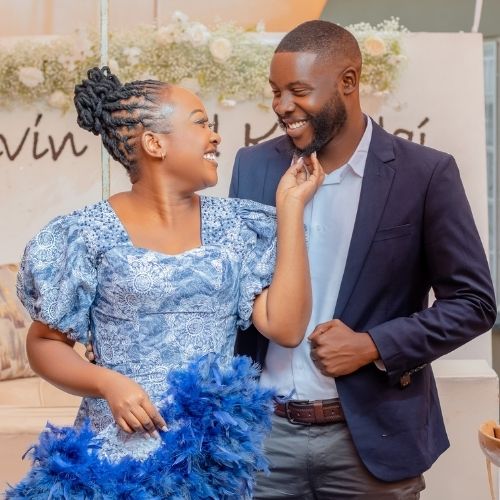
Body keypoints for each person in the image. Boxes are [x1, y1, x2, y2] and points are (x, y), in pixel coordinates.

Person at [7, 67, 324, 499]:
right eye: (200, 123)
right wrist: (107, 383)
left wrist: (290, 208)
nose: (215, 137)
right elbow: (44, 343)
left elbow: (286, 328)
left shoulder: (237, 226)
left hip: (208, 459)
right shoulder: (84, 234)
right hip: (113, 461)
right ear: (154, 143)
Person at [229, 20, 497, 499]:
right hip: (261, 440)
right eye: (275, 92)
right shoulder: (253, 166)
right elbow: (233, 292)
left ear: (348, 82)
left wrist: (374, 345)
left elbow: (474, 303)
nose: (282, 106)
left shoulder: (425, 173)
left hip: (373, 442)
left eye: (298, 91)